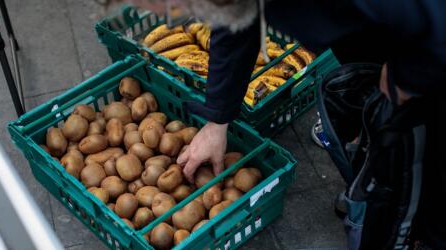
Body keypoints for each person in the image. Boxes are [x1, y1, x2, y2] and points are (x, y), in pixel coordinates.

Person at [169, 0, 445, 249]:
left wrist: (412, 73)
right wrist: (217, 120)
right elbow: (238, 17)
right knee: (387, 134)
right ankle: (378, 199)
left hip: (429, 50)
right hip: (382, 41)